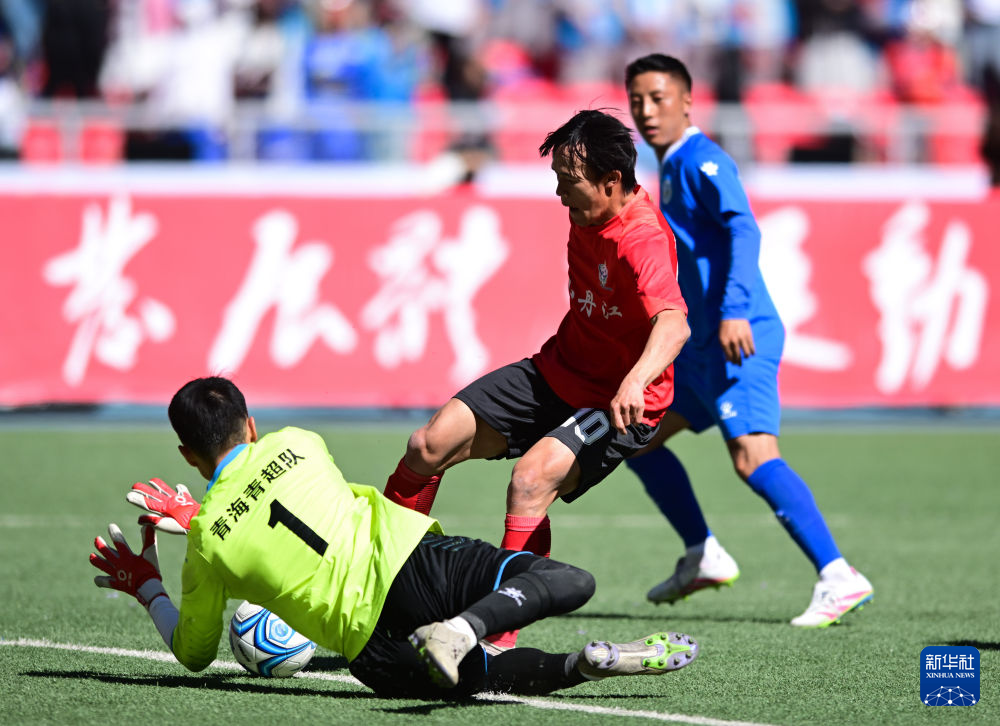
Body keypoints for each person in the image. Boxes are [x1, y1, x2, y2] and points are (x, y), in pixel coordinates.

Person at [88, 376, 699, 699]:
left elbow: (194, 654)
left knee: (493, 676)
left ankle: (579, 666)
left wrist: (149, 587)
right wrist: (202, 510)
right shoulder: (298, 442)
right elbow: (268, 493)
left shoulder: (207, 542)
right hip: (412, 563)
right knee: (568, 581)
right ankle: (465, 628)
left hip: (371, 651)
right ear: (251, 424)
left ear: (186, 454)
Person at [380, 109, 691, 649]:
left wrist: (635, 380)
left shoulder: (641, 238)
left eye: (568, 181)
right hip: (556, 371)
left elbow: (674, 322)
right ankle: (380, 580)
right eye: (556, 179)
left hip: (614, 402)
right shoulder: (587, 210)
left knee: (530, 480)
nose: (559, 193)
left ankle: (496, 636)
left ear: (611, 181)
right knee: (428, 444)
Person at [624, 53, 873, 628]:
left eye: (659, 98)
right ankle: (703, 554)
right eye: (637, 101)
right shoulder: (670, 166)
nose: (647, 110)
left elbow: (744, 226)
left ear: (688, 101)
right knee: (637, 439)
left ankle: (839, 576)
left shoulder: (703, 160)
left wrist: (735, 309)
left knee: (753, 456)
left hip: (739, 337)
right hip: (701, 350)